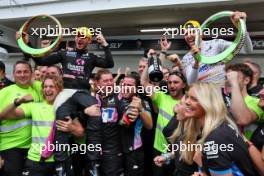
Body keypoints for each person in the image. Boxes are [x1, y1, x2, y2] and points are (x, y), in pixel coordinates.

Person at [186, 82, 258, 176]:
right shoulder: (222, 125)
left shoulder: (215, 138)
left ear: (208, 104)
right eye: (187, 96)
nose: (187, 101)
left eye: (194, 99)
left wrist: (202, 170)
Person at [182, 11, 253, 86]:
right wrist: (196, 61)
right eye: (186, 33)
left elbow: (247, 50)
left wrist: (242, 27)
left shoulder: (216, 44)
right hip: (199, 95)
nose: (189, 36)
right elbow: (191, 83)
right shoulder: (186, 58)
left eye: (192, 32)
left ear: (201, 34)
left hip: (219, 93)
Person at [141, 65, 186, 176]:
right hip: (159, 149)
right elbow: (144, 82)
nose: (172, 85)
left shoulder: (188, 101)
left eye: (176, 82)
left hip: (179, 151)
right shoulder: (162, 97)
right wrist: (149, 62)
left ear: (184, 84)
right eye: (169, 82)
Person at [0, 60, 42, 176]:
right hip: (10, 148)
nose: (22, 75)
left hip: (34, 149)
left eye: (25, 72)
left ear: (32, 74)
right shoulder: (4, 92)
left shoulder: (38, 90)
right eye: (19, 72)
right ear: (13, 74)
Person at [119, 73, 153, 176]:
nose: (125, 88)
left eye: (129, 86)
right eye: (123, 84)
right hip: (116, 151)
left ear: (137, 88)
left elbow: (149, 125)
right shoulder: (116, 99)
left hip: (134, 151)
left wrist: (141, 110)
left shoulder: (141, 102)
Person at [94, 69, 124, 176]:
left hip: (113, 151)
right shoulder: (91, 98)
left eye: (111, 80)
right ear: (97, 83)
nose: (110, 83)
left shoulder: (119, 98)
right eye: (106, 81)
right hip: (93, 151)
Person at [225, 63, 264, 139]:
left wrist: (234, 83)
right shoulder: (224, 100)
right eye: (226, 77)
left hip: (246, 148)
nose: (228, 81)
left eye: (234, 77)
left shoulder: (256, 102)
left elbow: (242, 119)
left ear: (246, 80)